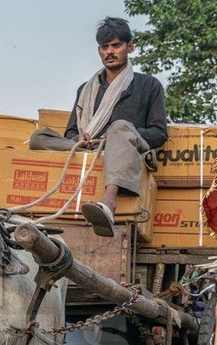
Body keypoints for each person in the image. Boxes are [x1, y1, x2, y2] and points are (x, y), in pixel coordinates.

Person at [29, 16, 167, 237]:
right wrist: (77, 139)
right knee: (38, 137)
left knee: (120, 127)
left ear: (129, 47)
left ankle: (108, 203)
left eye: (116, 45)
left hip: (125, 149)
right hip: (90, 149)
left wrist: (116, 137)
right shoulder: (86, 89)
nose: (109, 52)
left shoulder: (149, 85)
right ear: (99, 51)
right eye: (104, 47)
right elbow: (71, 131)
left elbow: (159, 133)